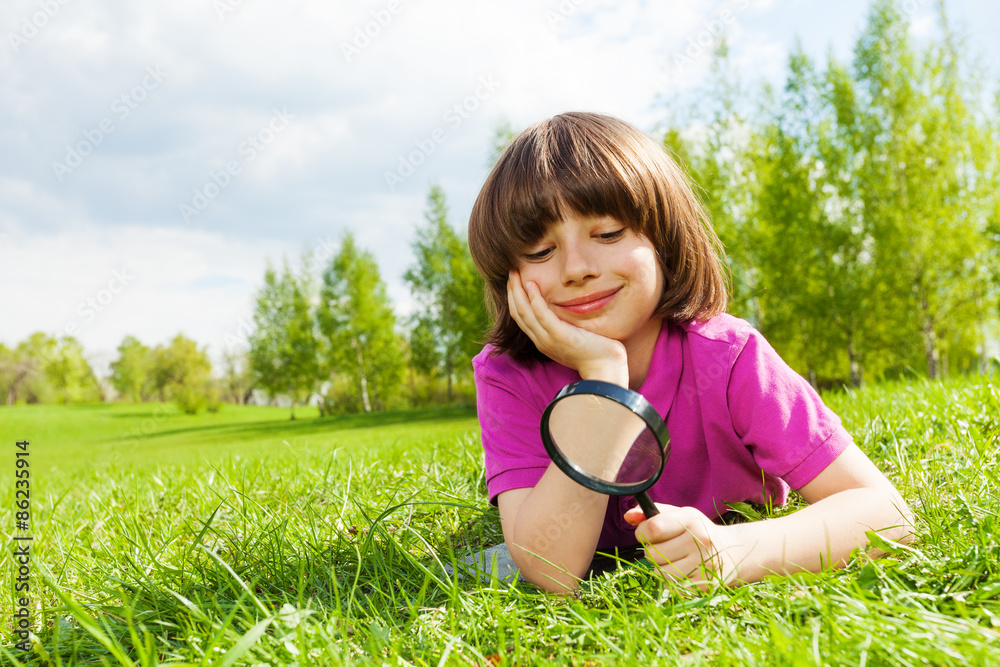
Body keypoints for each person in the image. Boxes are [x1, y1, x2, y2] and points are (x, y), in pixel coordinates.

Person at [466, 111, 913, 593]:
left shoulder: (729, 356)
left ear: (664, 241)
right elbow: (552, 569)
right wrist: (600, 378)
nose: (576, 268)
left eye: (609, 234)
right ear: (507, 276)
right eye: (539, 252)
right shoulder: (507, 375)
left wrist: (730, 552)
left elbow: (885, 514)